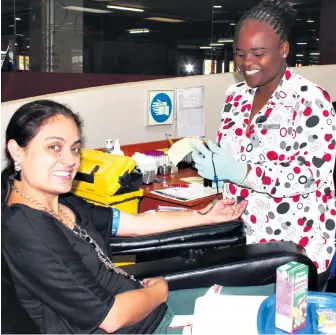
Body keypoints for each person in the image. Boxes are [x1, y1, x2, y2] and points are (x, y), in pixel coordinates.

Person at [1, 100, 255, 334]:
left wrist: (204, 216)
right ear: (17, 151)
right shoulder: (30, 230)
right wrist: (159, 292)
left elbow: (134, 223)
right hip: (142, 326)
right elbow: (110, 317)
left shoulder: (61, 201)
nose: (70, 160)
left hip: (147, 311)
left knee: (274, 301)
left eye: (75, 149)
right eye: (54, 147)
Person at [190, 0, 336, 279]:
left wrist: (241, 172)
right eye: (240, 53)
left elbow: (309, 177)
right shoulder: (235, 96)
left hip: (297, 246)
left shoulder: (310, 100)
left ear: (284, 49)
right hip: (246, 239)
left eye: (258, 53)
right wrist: (217, 172)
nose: (247, 63)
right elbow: (234, 157)